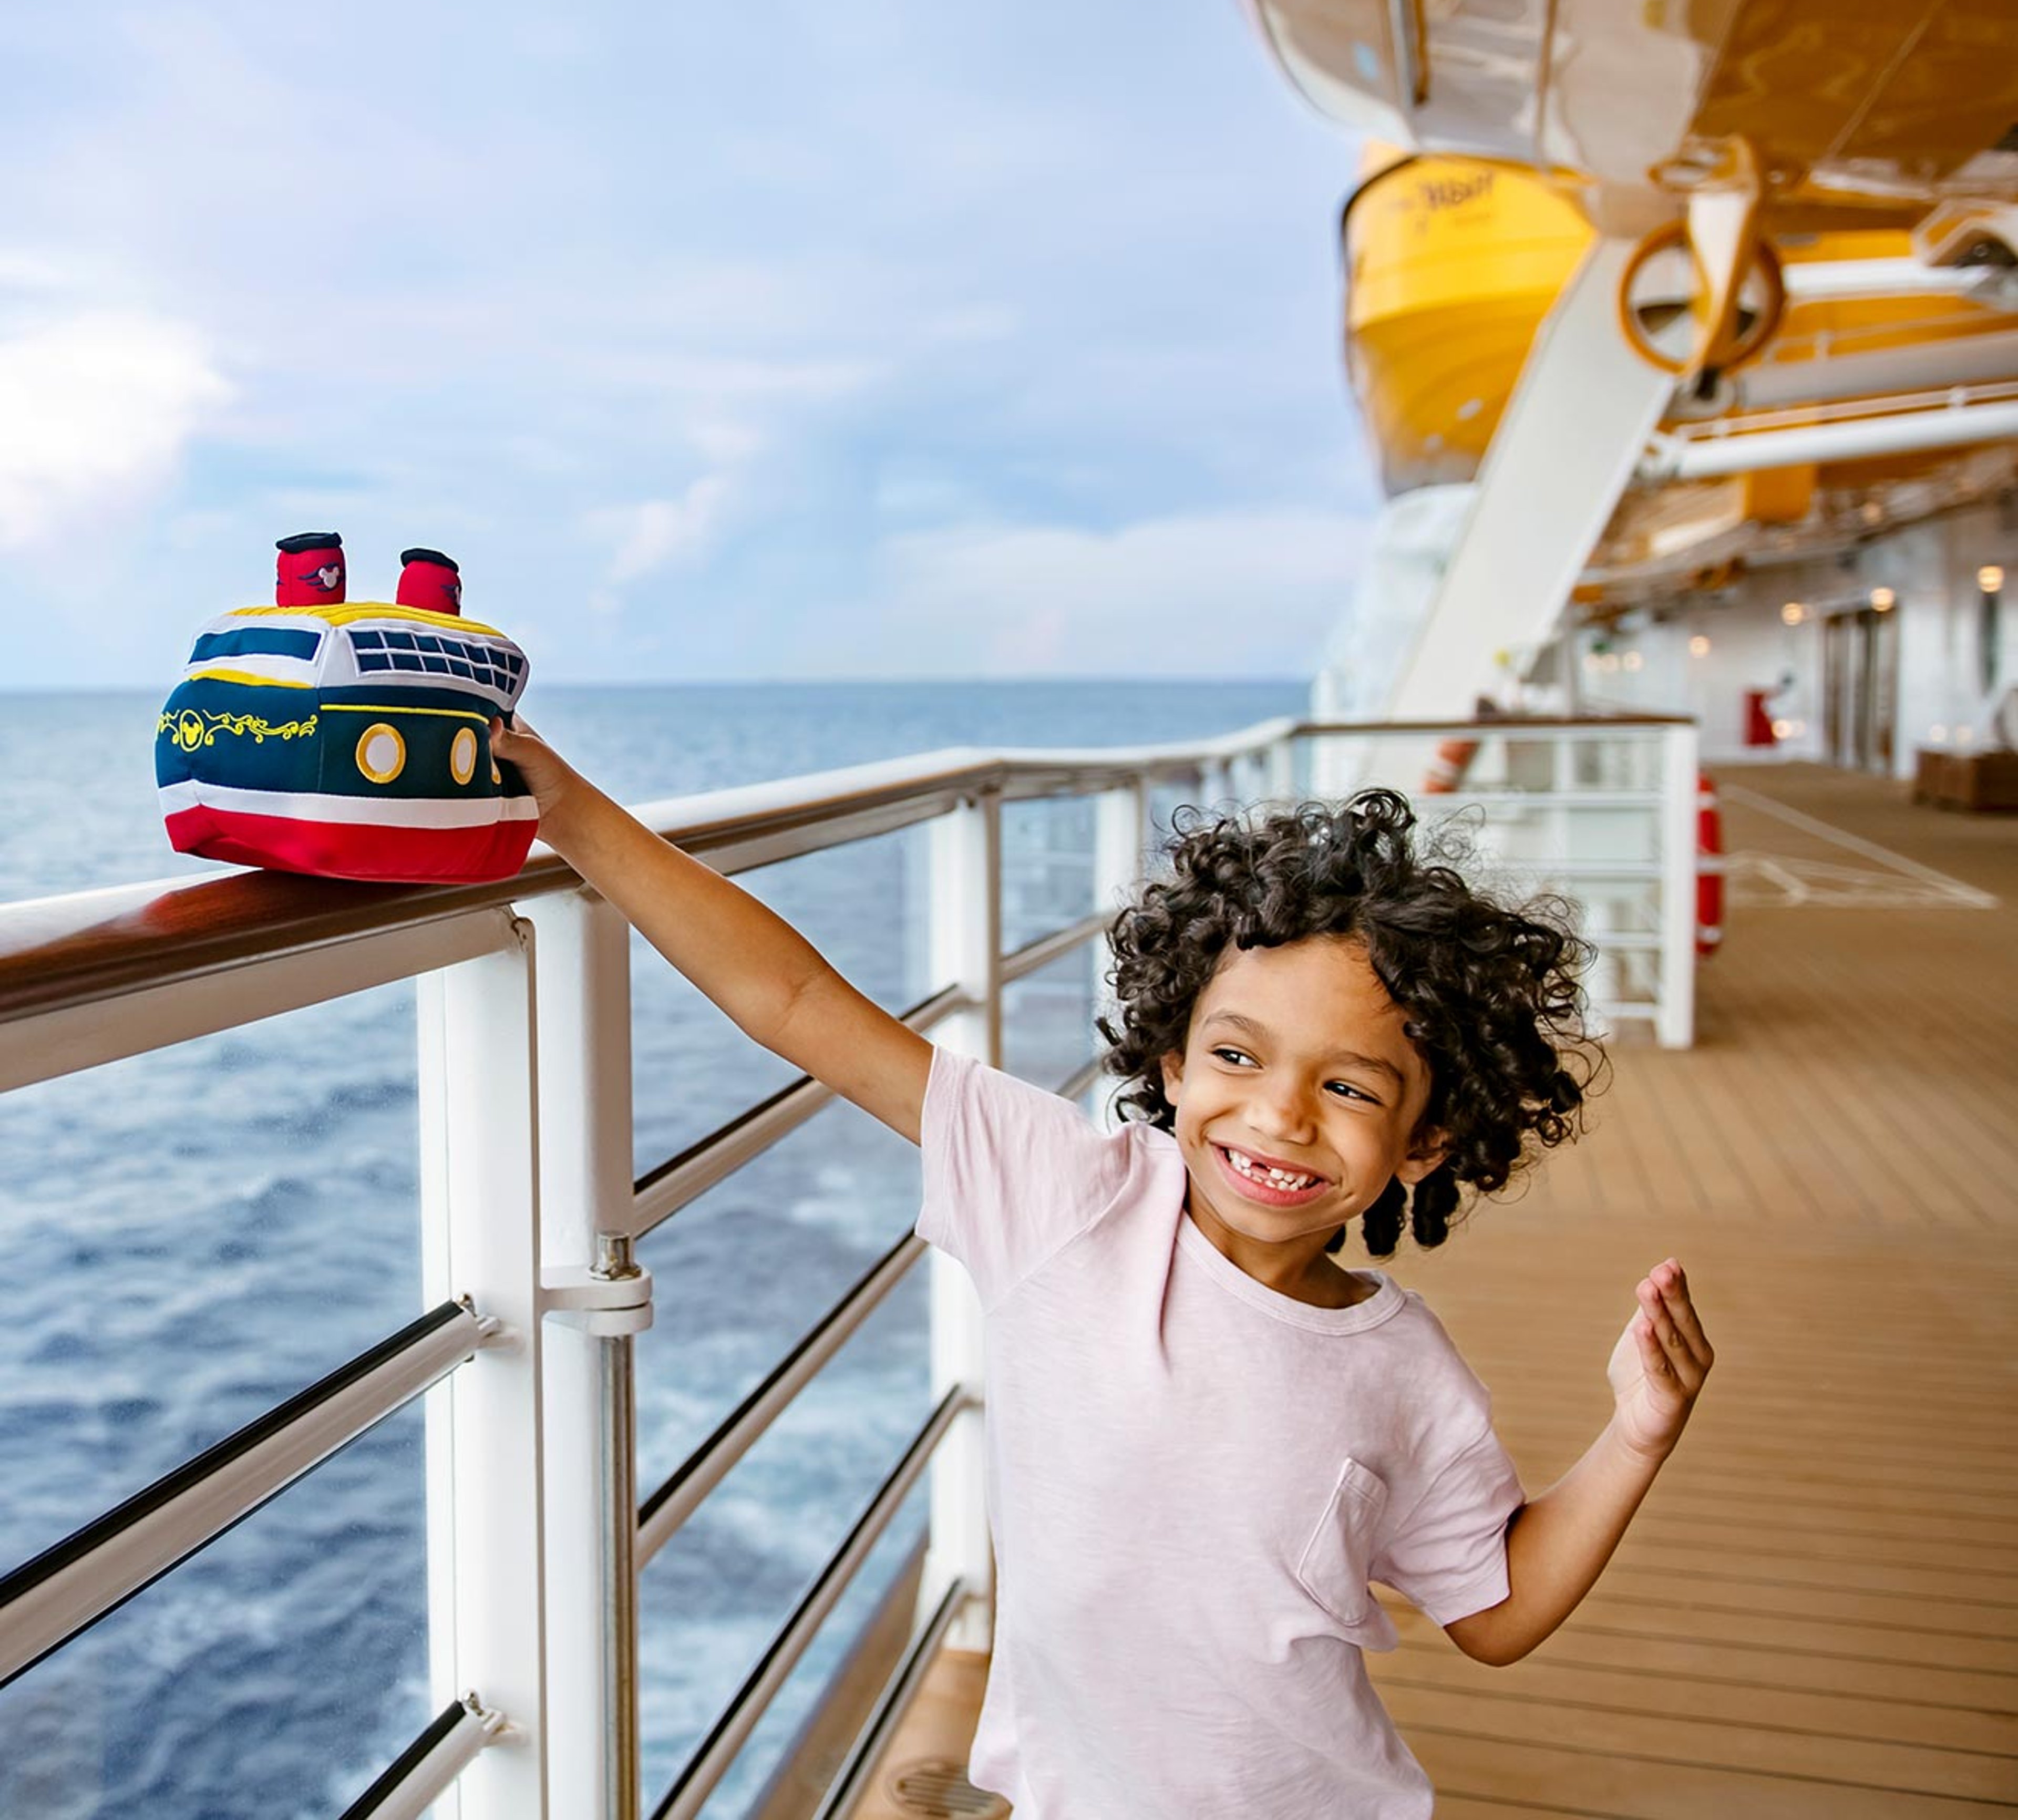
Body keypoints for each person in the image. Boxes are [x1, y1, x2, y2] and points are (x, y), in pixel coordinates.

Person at [492, 719, 1714, 1819]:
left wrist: (1639, 1436)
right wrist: (574, 814)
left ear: (1428, 1140)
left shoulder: (1406, 1370)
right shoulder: (1070, 1202)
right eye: (1237, 1057)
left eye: (1349, 1087)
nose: (1280, 1117)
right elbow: (796, 999)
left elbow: (1494, 1611)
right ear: (1172, 1064)